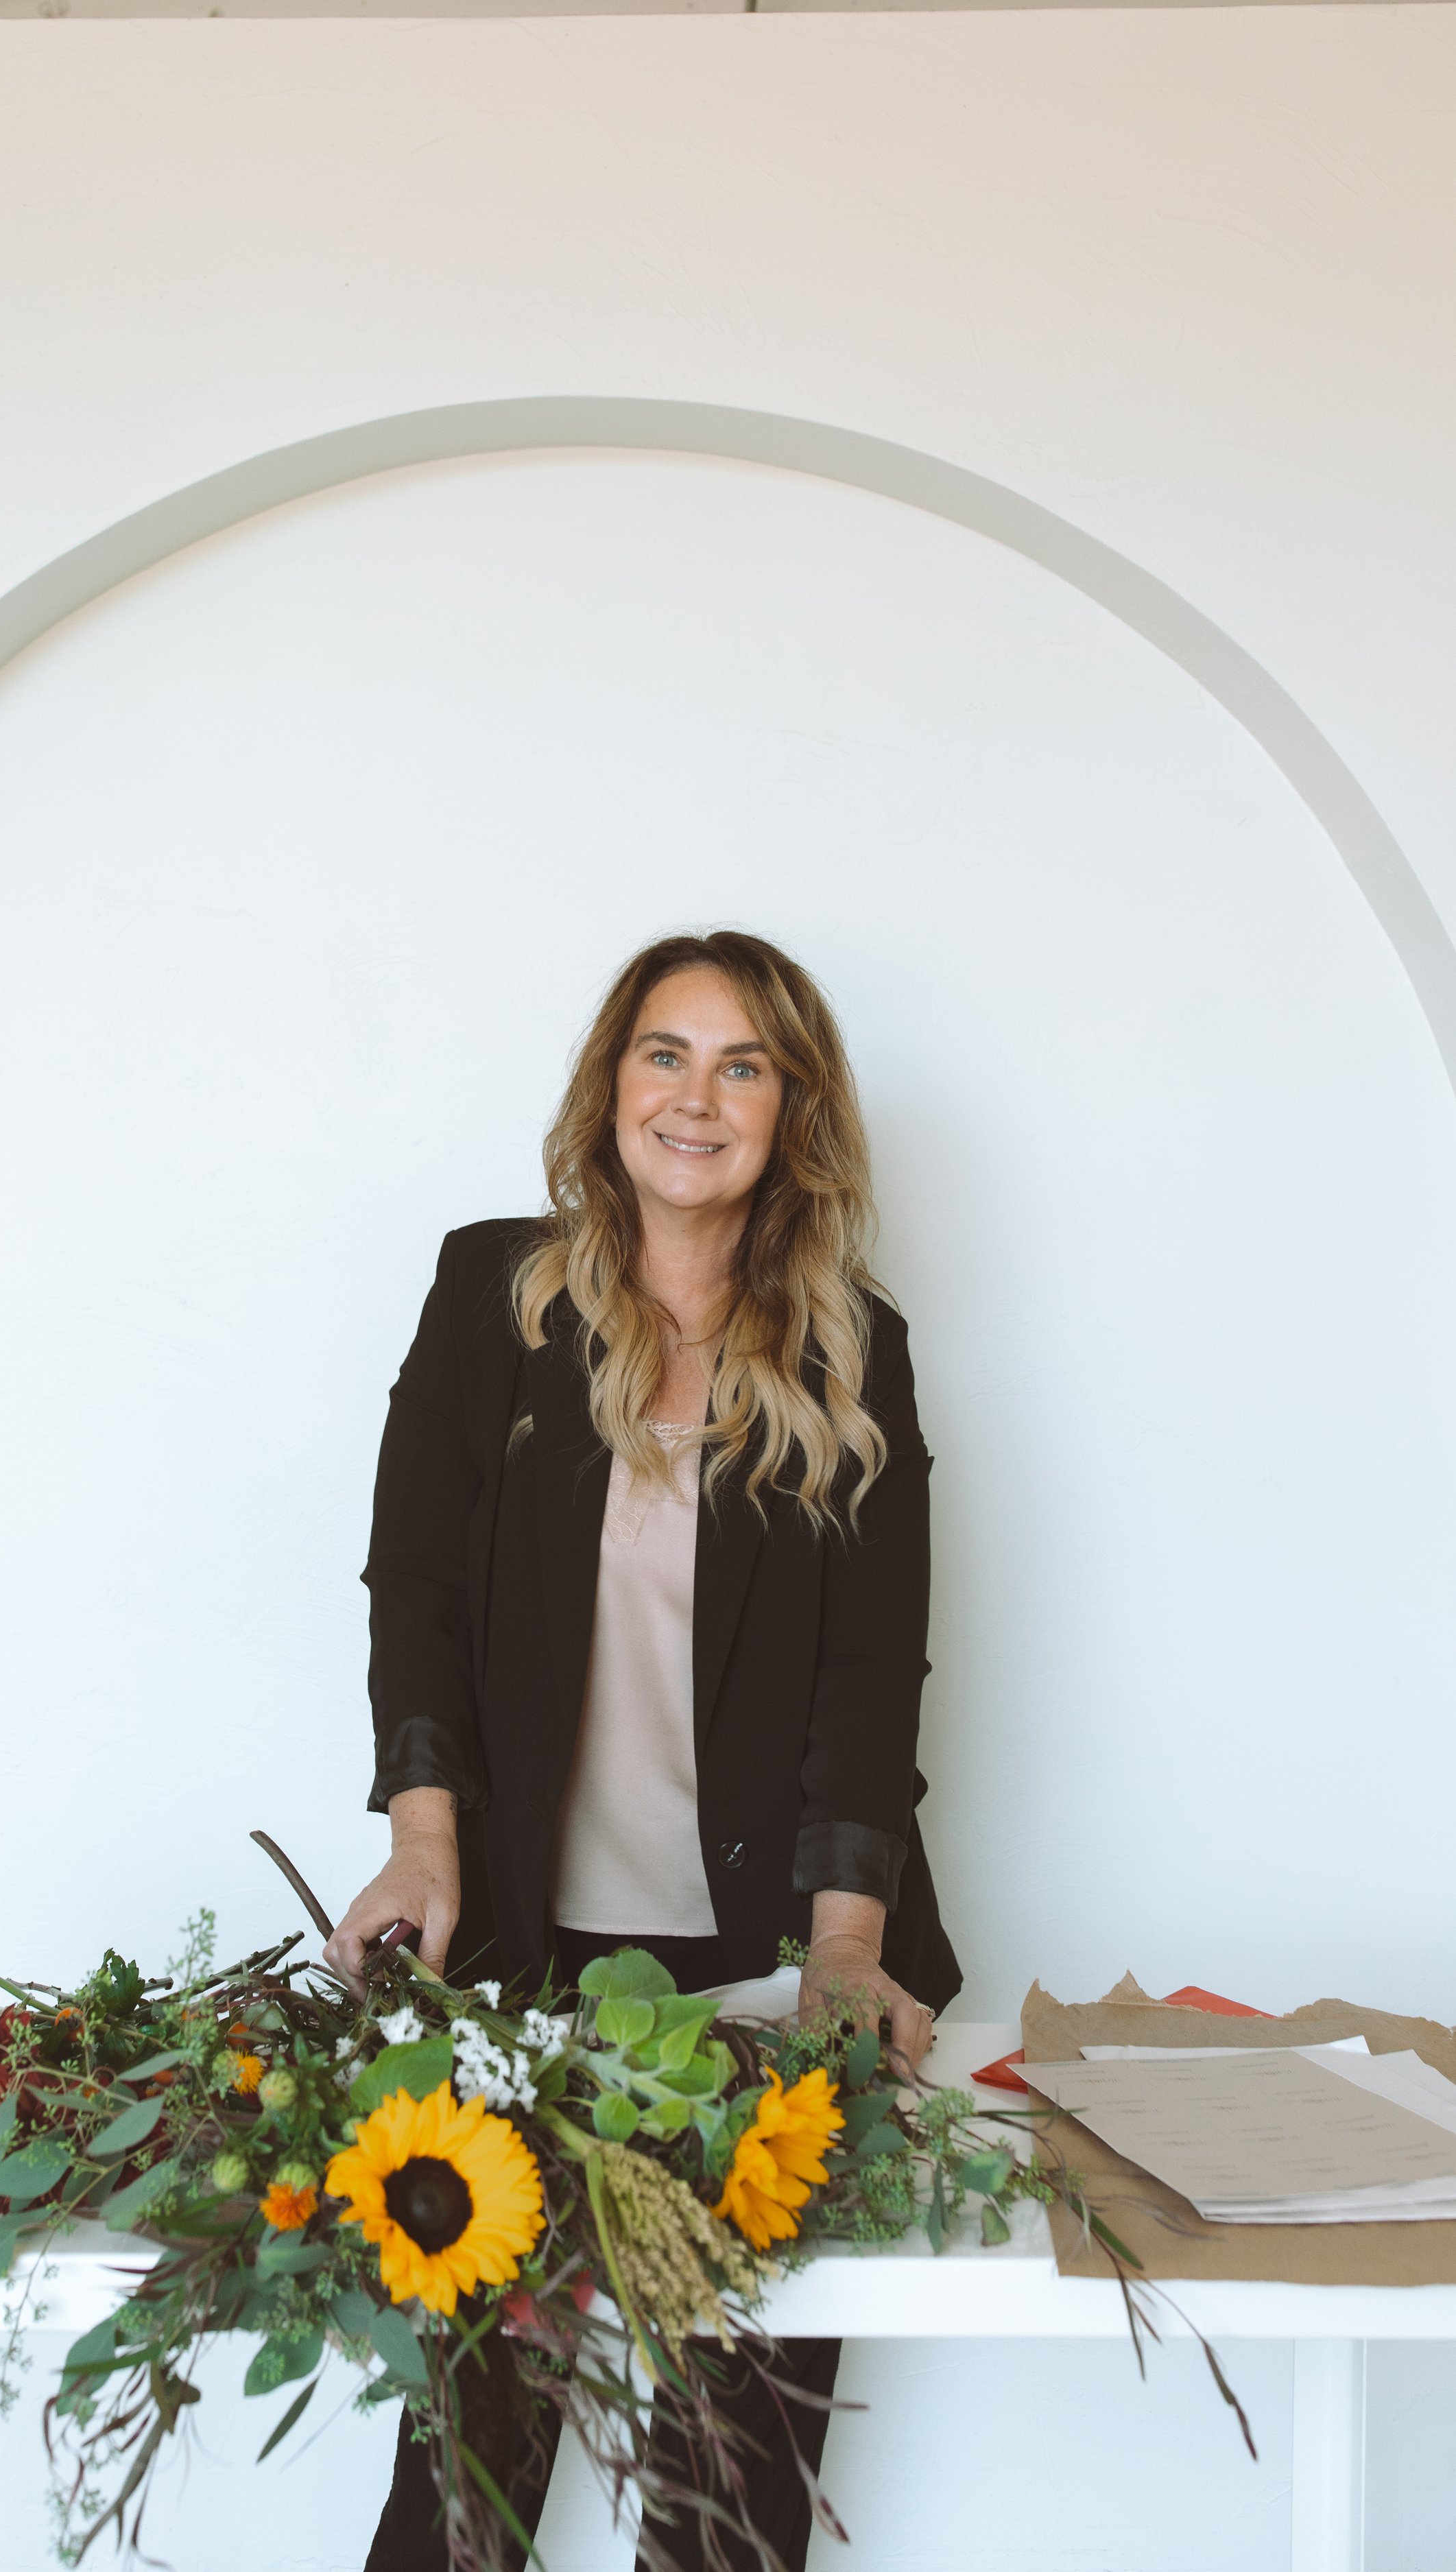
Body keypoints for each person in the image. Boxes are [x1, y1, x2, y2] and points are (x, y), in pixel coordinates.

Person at [326, 929, 961, 2571]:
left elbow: (870, 1673)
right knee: (462, 2484)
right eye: (665, 1054)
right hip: (519, 1970)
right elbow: (417, 1586)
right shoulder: (497, 1295)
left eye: (744, 1065)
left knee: (731, 2508)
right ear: (610, 1086)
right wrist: (421, 1841)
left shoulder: (853, 1345)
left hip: (763, 1986)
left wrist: (843, 1952)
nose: (697, 1097)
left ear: (791, 1113)